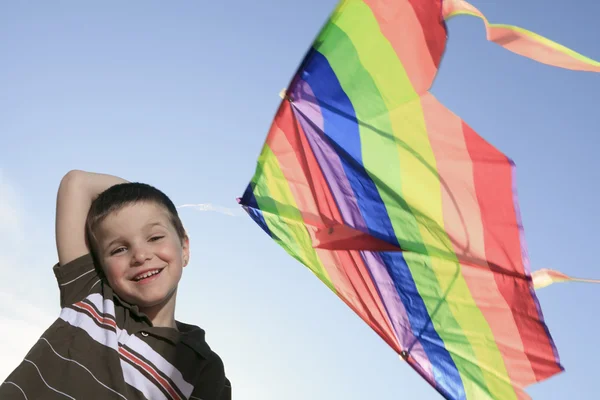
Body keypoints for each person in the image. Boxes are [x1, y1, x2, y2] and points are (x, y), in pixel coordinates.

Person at [0, 170, 231, 399]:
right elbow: (77, 183)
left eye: (155, 237)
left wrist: (156, 205)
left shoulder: (205, 368)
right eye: (119, 249)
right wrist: (143, 198)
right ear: (101, 265)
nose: (140, 255)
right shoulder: (92, 294)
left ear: (184, 248)